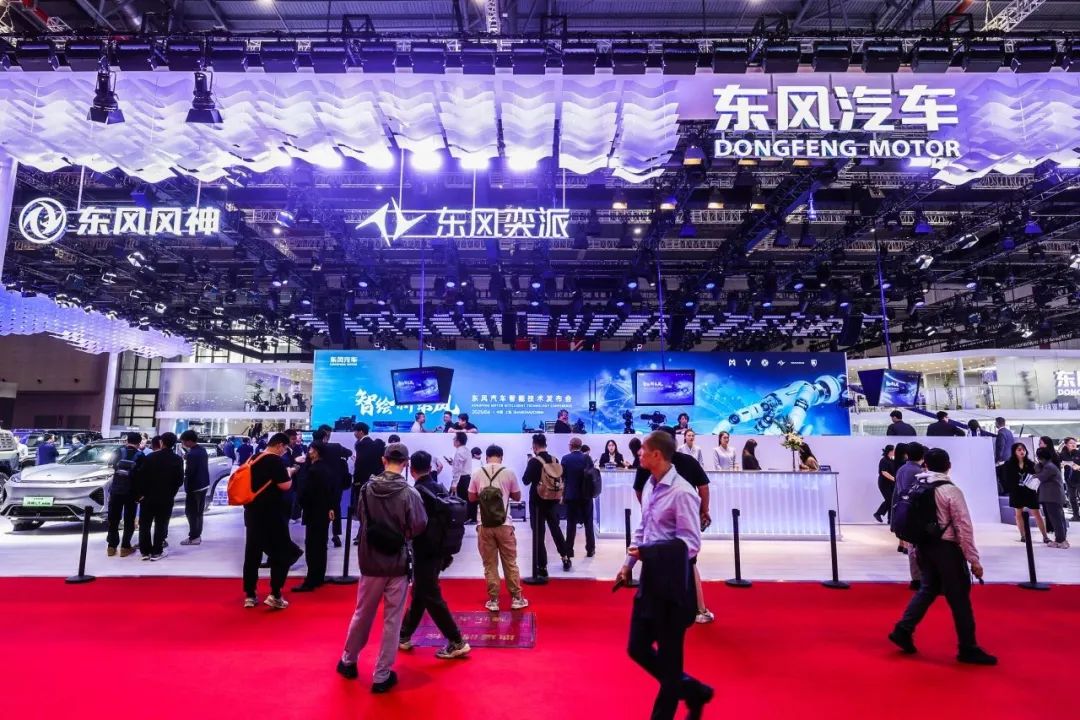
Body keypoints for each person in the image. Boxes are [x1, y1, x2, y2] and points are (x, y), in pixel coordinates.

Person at [617, 430, 713, 720]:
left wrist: (650, 553)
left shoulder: (682, 493)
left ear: (657, 454)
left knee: (670, 660)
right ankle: (694, 690)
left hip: (673, 584)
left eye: (643, 450)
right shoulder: (650, 484)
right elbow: (644, 527)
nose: (639, 454)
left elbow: (691, 544)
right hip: (650, 580)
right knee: (637, 647)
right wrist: (628, 564)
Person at [888, 448, 997, 666]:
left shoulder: (918, 484)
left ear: (925, 464)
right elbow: (963, 526)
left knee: (928, 589)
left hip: (924, 546)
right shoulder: (949, 490)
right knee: (959, 598)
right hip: (947, 549)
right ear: (949, 465)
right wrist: (973, 559)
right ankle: (968, 647)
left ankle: (904, 629)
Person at [338, 442, 427, 692]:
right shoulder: (410, 493)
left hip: (370, 560)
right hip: (397, 561)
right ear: (406, 463)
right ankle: (382, 674)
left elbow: (361, 517)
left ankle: (348, 660)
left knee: (362, 613)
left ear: (383, 459)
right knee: (393, 619)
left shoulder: (367, 489)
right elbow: (419, 524)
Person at [633, 427, 713, 624]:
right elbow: (703, 487)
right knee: (687, 564)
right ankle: (697, 609)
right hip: (667, 539)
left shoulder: (681, 488)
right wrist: (704, 510)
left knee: (684, 563)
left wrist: (651, 511)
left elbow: (639, 491)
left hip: (670, 538)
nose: (641, 453)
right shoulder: (682, 463)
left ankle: (693, 609)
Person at [398, 450, 471, 659]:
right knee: (421, 591)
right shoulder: (439, 488)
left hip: (424, 550)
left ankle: (456, 640)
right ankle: (404, 635)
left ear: (411, 469)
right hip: (442, 548)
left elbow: (412, 523)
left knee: (429, 593)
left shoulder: (416, 492)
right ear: (430, 468)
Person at [242, 432, 302, 609]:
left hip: (252, 513)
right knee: (283, 552)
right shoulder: (275, 461)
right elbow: (285, 485)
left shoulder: (253, 458)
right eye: (285, 448)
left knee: (252, 554)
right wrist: (289, 472)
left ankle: (250, 594)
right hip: (273, 514)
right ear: (280, 446)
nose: (284, 451)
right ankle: (275, 594)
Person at [468, 444, 528, 612]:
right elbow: (517, 497)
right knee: (510, 562)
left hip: (484, 524)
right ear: (501, 457)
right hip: (505, 524)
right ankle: (517, 598)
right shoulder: (509, 472)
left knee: (489, 564)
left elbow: (471, 497)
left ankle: (493, 600)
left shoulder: (477, 473)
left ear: (486, 457)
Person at [522, 433, 572, 575]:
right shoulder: (555, 459)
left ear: (534, 446)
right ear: (546, 445)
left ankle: (542, 566)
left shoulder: (534, 461)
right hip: (553, 500)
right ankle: (565, 557)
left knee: (539, 533)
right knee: (555, 529)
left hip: (537, 501)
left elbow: (525, 480)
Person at [293, 443, 336, 591]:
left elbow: (306, 492)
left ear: (316, 452)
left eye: (311, 449)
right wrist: (330, 507)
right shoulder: (327, 468)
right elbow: (331, 490)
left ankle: (311, 580)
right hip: (323, 510)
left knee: (312, 546)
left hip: (313, 511)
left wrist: (301, 503)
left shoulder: (313, 470)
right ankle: (318, 576)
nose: (308, 451)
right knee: (321, 545)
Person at [136, 432, 184, 561]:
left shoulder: (150, 457)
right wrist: (171, 492)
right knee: (161, 524)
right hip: (166, 497)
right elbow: (179, 480)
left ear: (161, 442)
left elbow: (141, 477)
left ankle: (145, 552)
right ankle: (157, 552)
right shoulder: (177, 459)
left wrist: (141, 494)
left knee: (145, 525)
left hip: (147, 497)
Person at [106, 432, 145, 557]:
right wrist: (140, 493)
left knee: (113, 519)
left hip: (116, 490)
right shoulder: (141, 455)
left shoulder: (118, 451)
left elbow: (111, 466)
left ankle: (111, 547)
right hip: (131, 492)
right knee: (129, 520)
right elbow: (141, 476)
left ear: (127, 440)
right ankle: (125, 547)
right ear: (139, 443)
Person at [1002, 442, 1049, 544]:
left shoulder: (1031, 464)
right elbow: (1006, 479)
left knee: (1037, 513)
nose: (1022, 451)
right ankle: (1023, 536)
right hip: (1016, 492)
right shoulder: (1009, 464)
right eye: (1019, 450)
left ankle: (1045, 536)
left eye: (1023, 449)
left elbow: (1036, 477)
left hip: (1030, 491)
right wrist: (1012, 487)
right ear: (1014, 452)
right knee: (1018, 513)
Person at [892, 442, 924, 590]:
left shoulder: (901, 469)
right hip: (917, 511)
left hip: (903, 509)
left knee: (912, 546)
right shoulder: (919, 472)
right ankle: (923, 579)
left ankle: (916, 579)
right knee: (920, 546)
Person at [314, 426, 352, 548]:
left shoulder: (313, 448)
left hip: (319, 485)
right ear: (326, 435)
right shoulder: (336, 447)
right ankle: (336, 535)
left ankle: (322, 537)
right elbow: (349, 453)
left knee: (321, 510)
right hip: (335, 485)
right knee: (336, 509)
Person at [562, 437, 595, 559]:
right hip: (586, 496)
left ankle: (569, 550)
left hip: (571, 496)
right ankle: (590, 549)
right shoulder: (587, 458)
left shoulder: (565, 459)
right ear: (580, 446)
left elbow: (562, 477)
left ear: (571, 446)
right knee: (588, 523)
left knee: (571, 525)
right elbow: (592, 475)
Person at [1034, 446, 1069, 549]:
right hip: (1055, 496)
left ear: (1039, 457)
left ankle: (1060, 540)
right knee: (1059, 518)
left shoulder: (1048, 467)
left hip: (1052, 497)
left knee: (1056, 519)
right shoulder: (1051, 465)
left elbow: (1040, 477)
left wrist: (1036, 467)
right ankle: (1061, 539)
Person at [179, 430, 209, 546]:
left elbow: (189, 472)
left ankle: (194, 536)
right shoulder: (202, 450)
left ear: (189, 441)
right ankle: (197, 535)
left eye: (184, 441)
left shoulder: (192, 454)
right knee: (199, 512)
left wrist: (185, 480)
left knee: (191, 512)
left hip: (194, 486)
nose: (183, 444)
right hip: (204, 484)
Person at [448, 432, 477, 525]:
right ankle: (472, 518)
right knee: (468, 498)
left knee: (462, 499)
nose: (453, 440)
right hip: (467, 478)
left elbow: (458, 470)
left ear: (458, 441)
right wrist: (453, 463)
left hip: (461, 479)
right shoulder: (467, 450)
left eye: (454, 439)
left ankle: (466, 518)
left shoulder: (459, 452)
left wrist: (454, 483)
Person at [873, 445, 896, 524]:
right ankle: (878, 513)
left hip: (891, 483)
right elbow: (884, 472)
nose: (895, 452)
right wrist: (894, 479)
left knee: (891, 500)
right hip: (884, 483)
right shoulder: (884, 460)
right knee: (890, 500)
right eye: (894, 450)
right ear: (890, 451)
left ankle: (890, 519)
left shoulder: (892, 460)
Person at [993, 417, 1016, 494]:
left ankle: (1005, 493)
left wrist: (998, 459)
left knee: (1002, 478)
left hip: (1002, 460)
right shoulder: (1009, 432)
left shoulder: (1001, 433)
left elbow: (1000, 447)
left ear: (997, 423)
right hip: (1010, 458)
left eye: (995, 422)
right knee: (1007, 477)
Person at [1060, 436, 1080, 521]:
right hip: (1069, 480)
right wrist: (1061, 465)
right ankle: (1076, 516)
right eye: (1071, 443)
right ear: (1066, 445)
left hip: (1079, 479)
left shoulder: (1079, 453)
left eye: (1074, 443)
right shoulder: (1063, 454)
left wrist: (1078, 467)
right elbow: (1057, 461)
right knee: (1072, 499)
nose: (1073, 445)